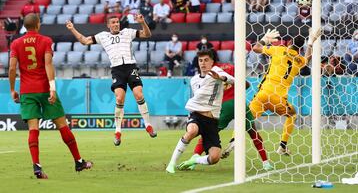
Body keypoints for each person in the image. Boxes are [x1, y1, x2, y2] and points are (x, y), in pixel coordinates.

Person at [9, 13, 92, 179]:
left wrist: (12, 89)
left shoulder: (16, 43)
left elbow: (12, 69)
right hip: (45, 89)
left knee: (33, 129)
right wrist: (52, 88)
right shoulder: (45, 41)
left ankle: (37, 167)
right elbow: (48, 64)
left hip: (27, 91)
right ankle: (78, 161)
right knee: (62, 125)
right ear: (38, 24)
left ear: (25, 26)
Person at [66, 14, 157, 146]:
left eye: (117, 22)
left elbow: (147, 34)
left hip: (130, 66)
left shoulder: (128, 32)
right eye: (113, 22)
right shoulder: (103, 36)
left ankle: (148, 125)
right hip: (117, 70)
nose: (116, 24)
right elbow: (84, 41)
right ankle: (118, 131)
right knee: (119, 98)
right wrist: (72, 29)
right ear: (108, 25)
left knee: (139, 94)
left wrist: (142, 23)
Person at [181, 60, 273, 171]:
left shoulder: (211, 71)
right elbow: (246, 85)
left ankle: (193, 160)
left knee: (208, 134)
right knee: (253, 132)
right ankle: (266, 163)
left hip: (224, 106)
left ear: (211, 60)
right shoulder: (233, 68)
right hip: (240, 103)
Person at [249, 28, 321, 155]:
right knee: (292, 114)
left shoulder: (279, 49)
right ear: (300, 48)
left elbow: (256, 48)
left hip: (264, 92)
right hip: (279, 98)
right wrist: (311, 42)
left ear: (289, 43)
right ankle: (282, 146)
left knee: (245, 118)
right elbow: (307, 59)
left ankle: (233, 140)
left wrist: (264, 39)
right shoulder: (299, 60)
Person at [166, 49, 234, 173]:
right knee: (192, 131)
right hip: (196, 115)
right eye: (200, 60)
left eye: (206, 60)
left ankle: (194, 160)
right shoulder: (194, 80)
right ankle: (171, 164)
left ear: (212, 61)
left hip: (212, 121)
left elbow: (232, 80)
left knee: (215, 157)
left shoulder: (217, 71)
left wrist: (221, 78)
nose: (203, 63)